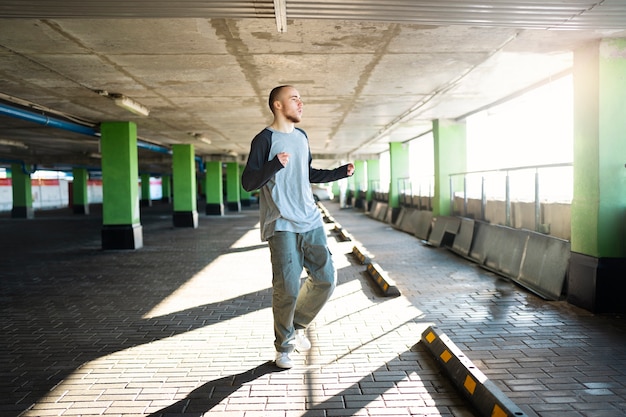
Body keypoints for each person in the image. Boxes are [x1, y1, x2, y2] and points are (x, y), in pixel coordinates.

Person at [241, 85, 355, 369]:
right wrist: (274, 165)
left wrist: (340, 172)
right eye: (294, 99)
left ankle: (298, 324)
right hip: (281, 223)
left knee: (326, 278)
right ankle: (284, 346)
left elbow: (308, 173)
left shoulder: (302, 137)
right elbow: (248, 183)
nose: (301, 103)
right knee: (288, 288)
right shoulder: (264, 139)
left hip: (310, 219)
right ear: (278, 105)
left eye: (301, 99)